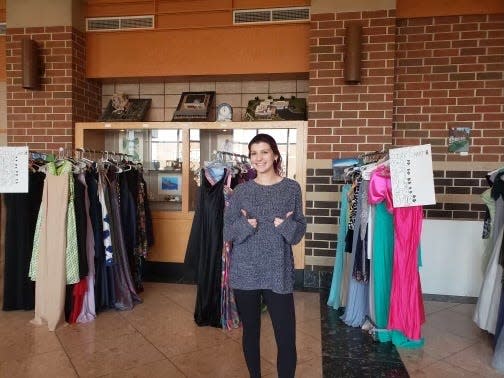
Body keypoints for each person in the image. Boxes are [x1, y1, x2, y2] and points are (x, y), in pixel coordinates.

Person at [223, 133, 307, 378]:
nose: (258, 158)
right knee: (251, 332)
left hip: (278, 272)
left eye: (264, 152)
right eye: (254, 153)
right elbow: (227, 231)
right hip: (245, 272)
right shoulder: (240, 191)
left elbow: (298, 231)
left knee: (286, 337)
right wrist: (247, 225)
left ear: (275, 154)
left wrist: (284, 226)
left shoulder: (291, 188)